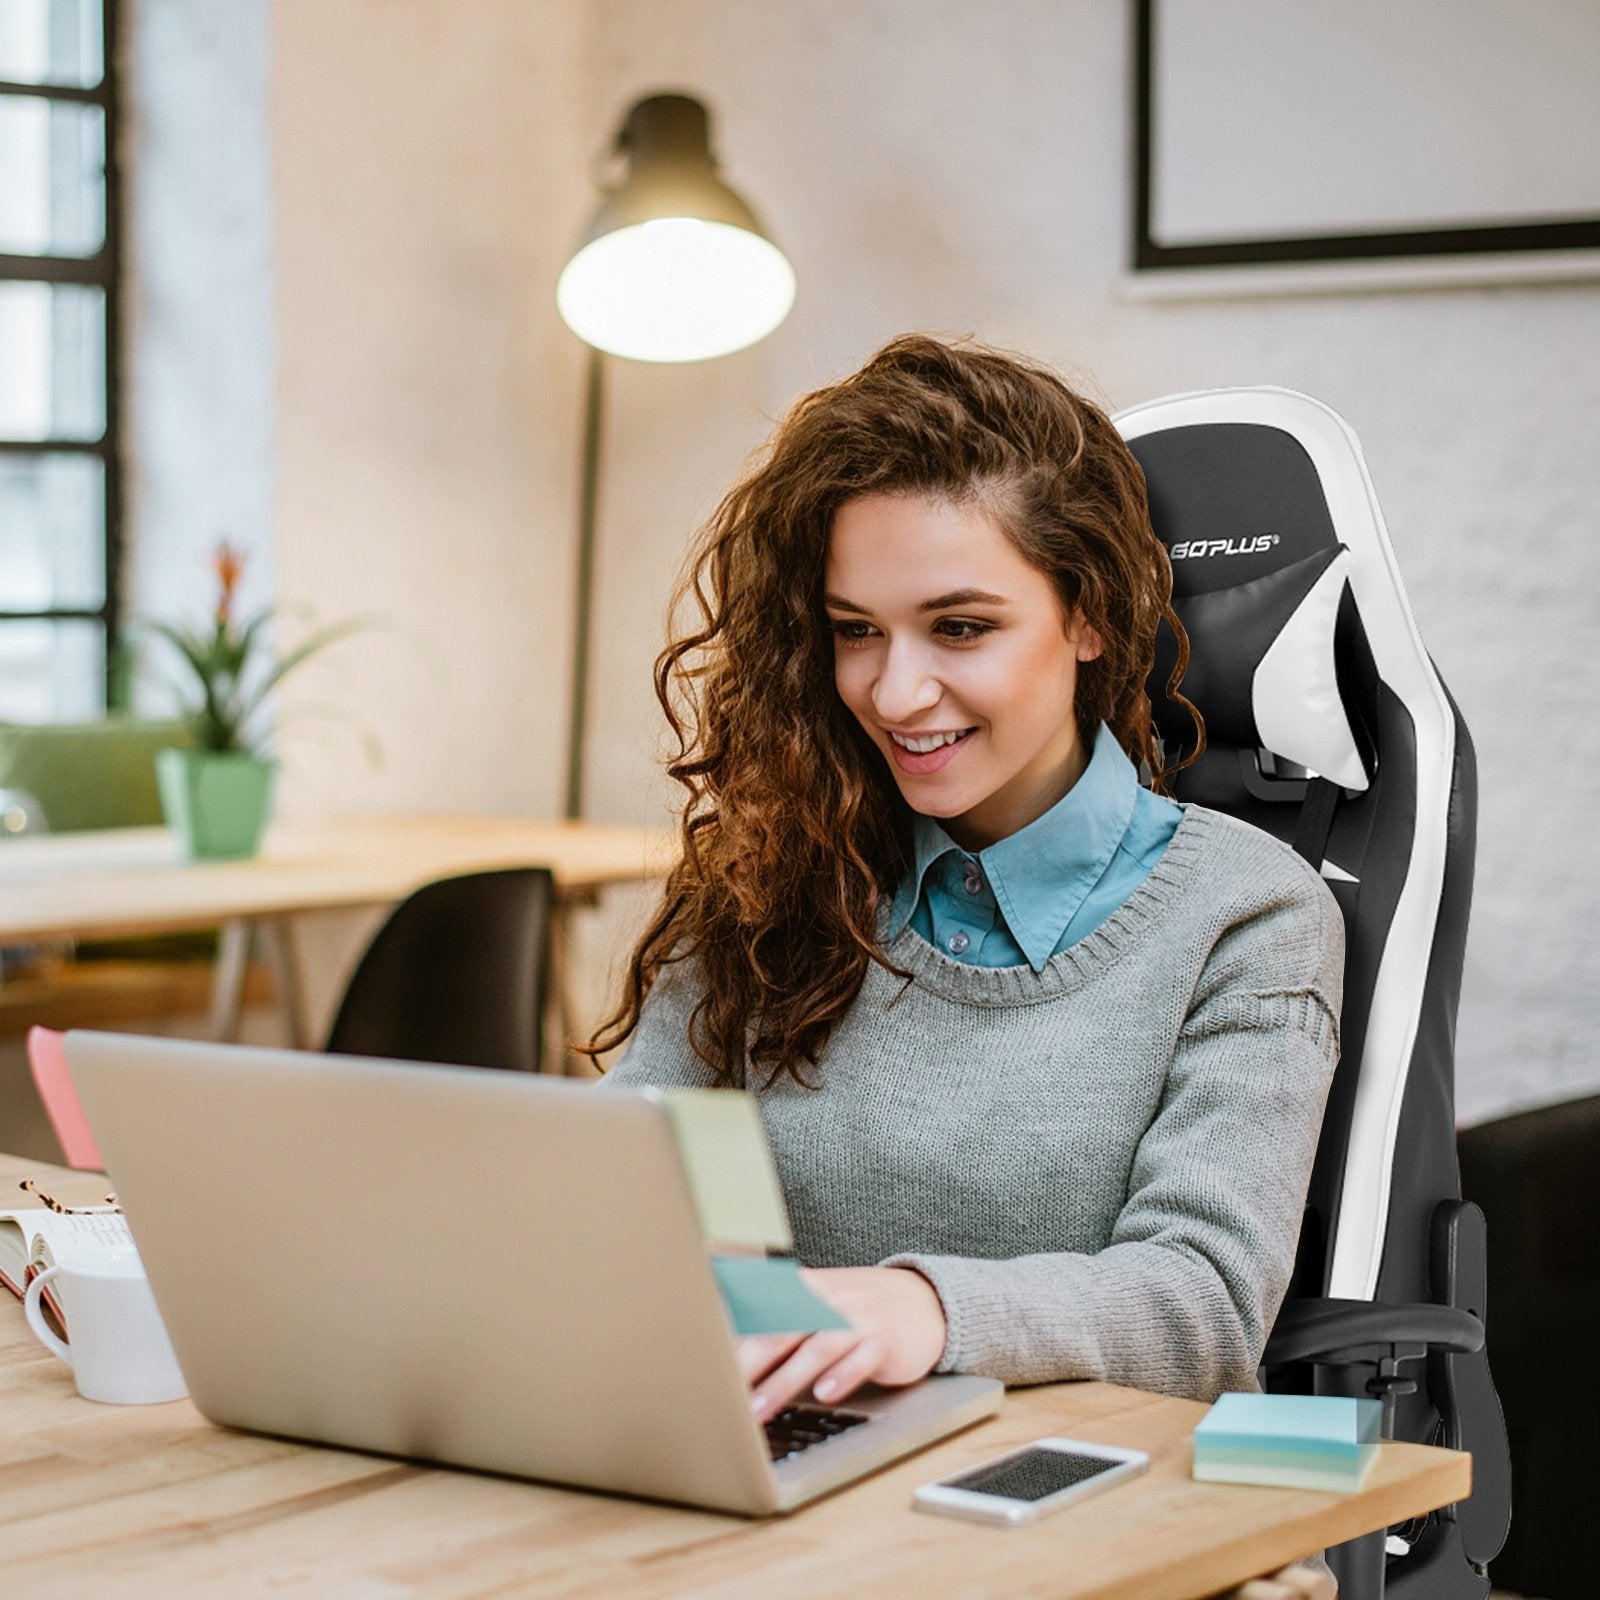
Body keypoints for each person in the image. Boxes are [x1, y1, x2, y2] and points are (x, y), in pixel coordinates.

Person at [595, 335, 1343, 1593]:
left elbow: (1199, 1300)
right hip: (794, 1498)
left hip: (1105, 1525)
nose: (896, 691)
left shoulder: (1242, 912)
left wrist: (923, 1309)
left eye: (960, 626)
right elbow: (630, 1182)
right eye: (853, 631)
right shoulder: (779, 875)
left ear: (1092, 612)